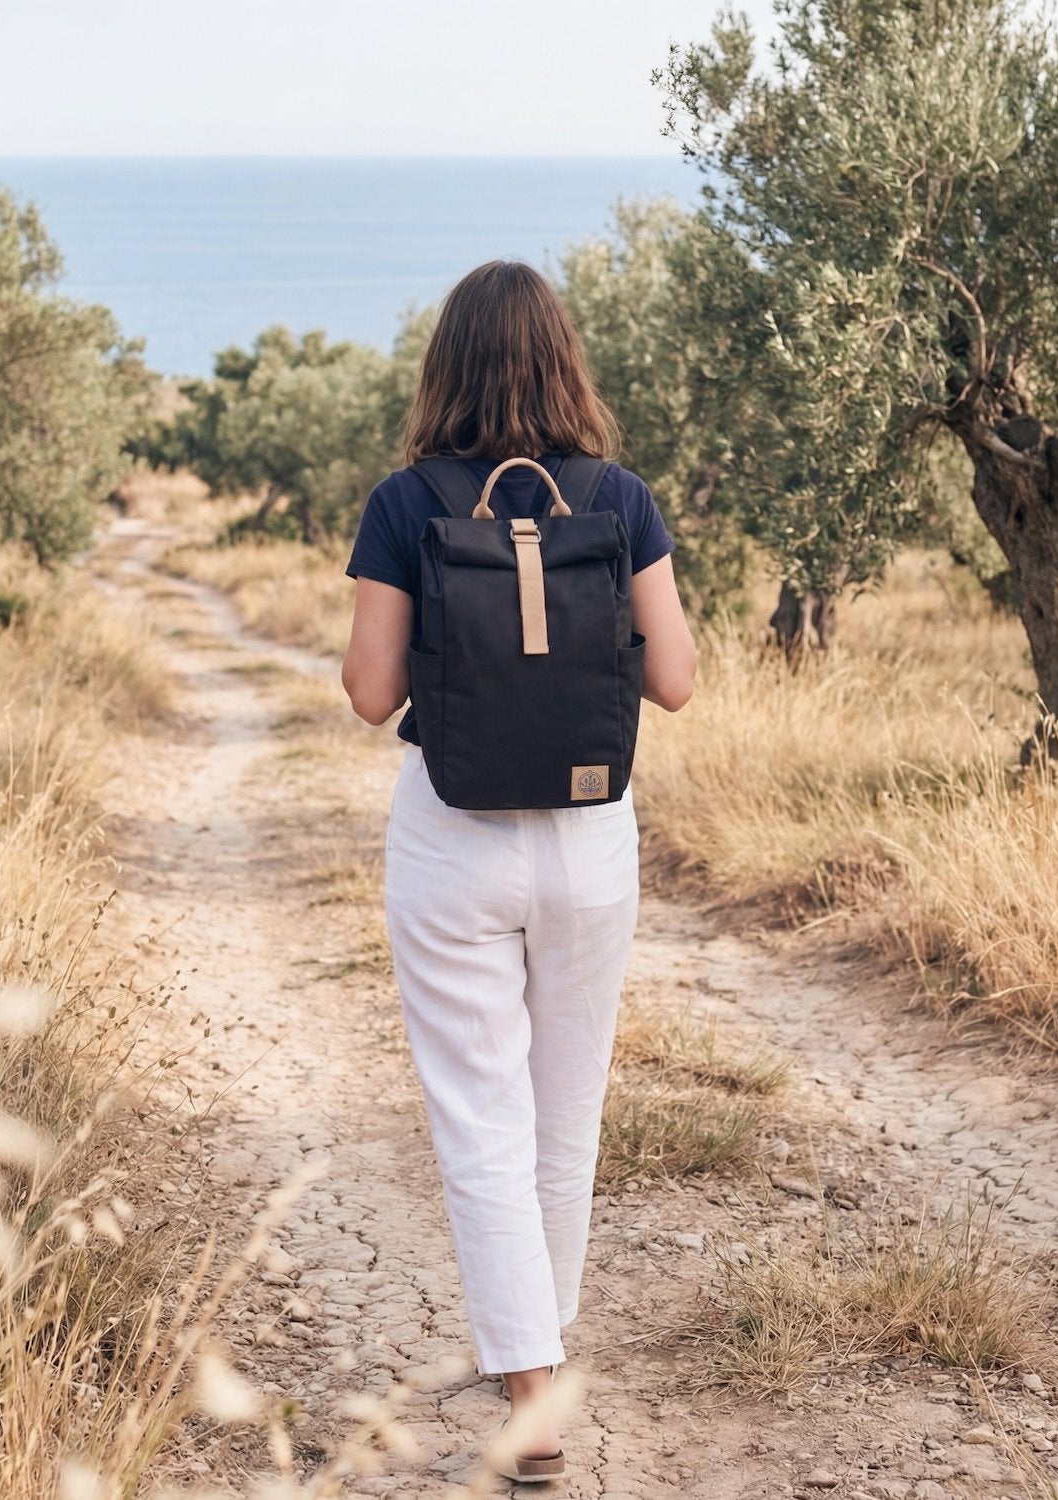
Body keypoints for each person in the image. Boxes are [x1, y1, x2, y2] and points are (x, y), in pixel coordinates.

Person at [341, 259, 697, 1483]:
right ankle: (538, 1345)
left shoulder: (405, 503)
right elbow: (675, 680)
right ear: (565, 361)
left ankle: (532, 1391)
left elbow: (370, 694)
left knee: (479, 1115)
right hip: (591, 837)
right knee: (564, 1111)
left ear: (444, 366)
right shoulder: (620, 497)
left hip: (455, 835)